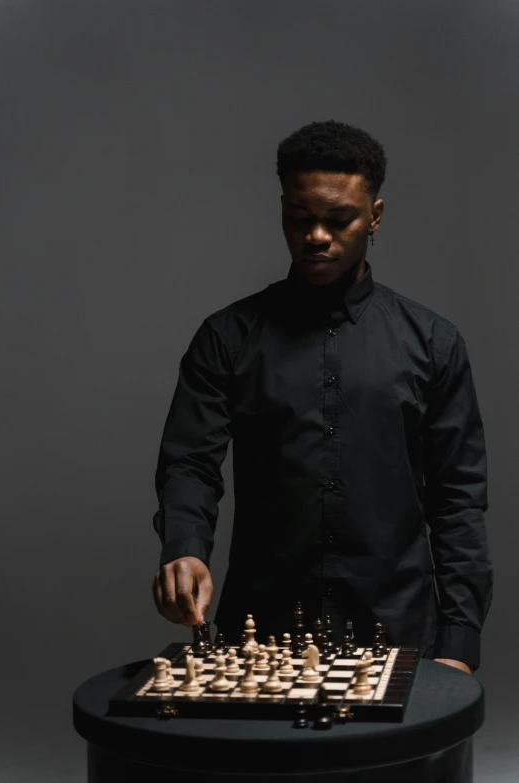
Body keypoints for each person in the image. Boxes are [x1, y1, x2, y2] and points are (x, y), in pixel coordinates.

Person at [151, 120, 493, 674]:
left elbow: (457, 501)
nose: (316, 236)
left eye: (339, 220)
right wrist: (184, 547)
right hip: (262, 633)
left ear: (375, 217)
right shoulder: (226, 338)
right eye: (299, 217)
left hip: (399, 631)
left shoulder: (434, 343)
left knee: (395, 766)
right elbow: (190, 462)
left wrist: (459, 641)